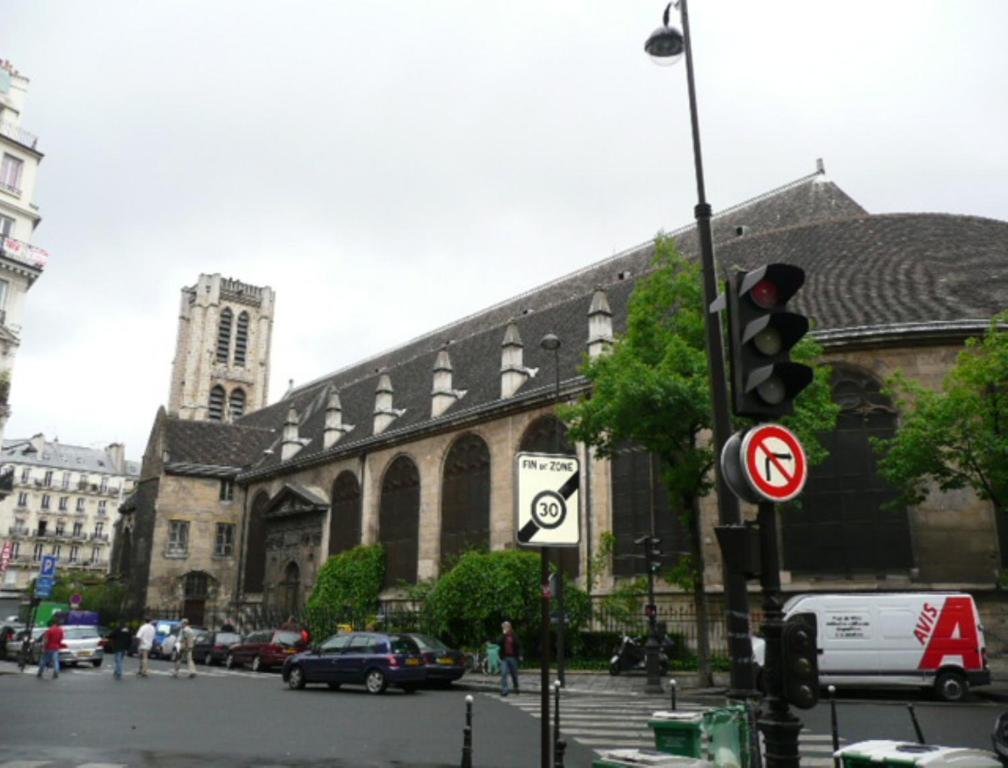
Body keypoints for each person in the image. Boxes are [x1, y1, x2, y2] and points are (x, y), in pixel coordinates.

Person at [496, 620, 521, 697]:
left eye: (506, 627)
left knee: (514, 674)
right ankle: (505, 690)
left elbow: (519, 646)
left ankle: (516, 686)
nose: (505, 628)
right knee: (503, 673)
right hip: (504, 658)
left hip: (513, 657)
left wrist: (520, 655)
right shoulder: (503, 636)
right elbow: (498, 642)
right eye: (503, 627)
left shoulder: (514, 636)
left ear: (510, 627)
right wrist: (503, 634)